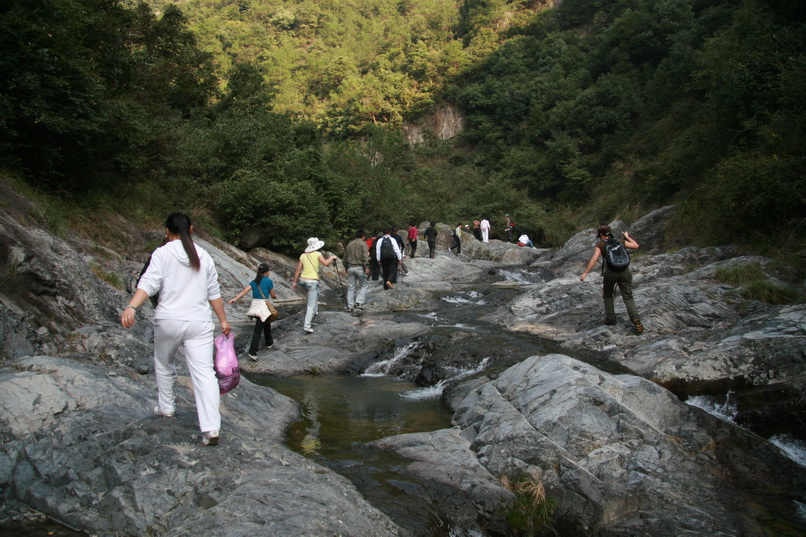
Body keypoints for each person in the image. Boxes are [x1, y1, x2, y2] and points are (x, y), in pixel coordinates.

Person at [120, 212, 229, 446]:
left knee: (164, 362)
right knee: (204, 374)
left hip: (169, 320)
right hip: (199, 322)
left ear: (167, 232)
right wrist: (223, 320)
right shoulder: (204, 256)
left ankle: (166, 407)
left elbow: (148, 283)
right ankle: (211, 428)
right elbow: (214, 293)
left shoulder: (162, 253)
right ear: (191, 230)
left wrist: (132, 307)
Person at [579, 225, 643, 334]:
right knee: (628, 296)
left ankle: (610, 318)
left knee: (608, 295)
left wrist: (585, 273)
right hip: (624, 271)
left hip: (610, 273)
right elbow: (636, 246)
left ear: (601, 234)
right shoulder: (619, 241)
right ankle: (635, 318)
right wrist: (627, 237)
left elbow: (594, 259)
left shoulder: (601, 244)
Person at [229, 263, 277, 361]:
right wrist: (274, 297)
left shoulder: (254, 282)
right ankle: (252, 352)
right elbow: (272, 295)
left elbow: (244, 291)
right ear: (267, 272)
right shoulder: (268, 281)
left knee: (266, 322)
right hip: (262, 307)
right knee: (258, 330)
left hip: (255, 306)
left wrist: (235, 298)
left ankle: (269, 342)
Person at [292, 237, 336, 333]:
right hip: (312, 281)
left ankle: (315, 311)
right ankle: (307, 325)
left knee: (317, 293)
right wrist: (332, 258)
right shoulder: (317, 254)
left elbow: (298, 270)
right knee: (310, 304)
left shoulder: (303, 255)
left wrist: (294, 282)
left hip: (303, 280)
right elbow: (325, 263)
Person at [344, 230, 369, 311]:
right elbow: (365, 256)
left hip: (350, 267)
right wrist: (367, 267)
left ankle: (350, 305)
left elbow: (345, 258)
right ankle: (359, 302)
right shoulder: (363, 244)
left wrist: (346, 268)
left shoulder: (349, 244)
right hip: (360, 267)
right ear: (363, 236)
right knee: (364, 285)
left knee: (351, 287)